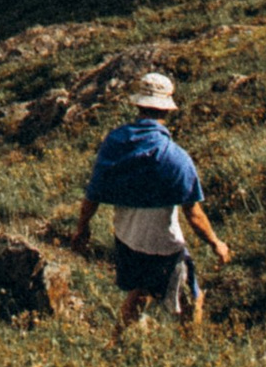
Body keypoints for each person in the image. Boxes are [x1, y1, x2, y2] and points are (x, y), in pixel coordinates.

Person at [68, 69, 231, 337]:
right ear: (167, 110)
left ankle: (116, 342)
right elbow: (194, 214)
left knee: (140, 290)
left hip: (126, 239)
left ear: (138, 104)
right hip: (163, 245)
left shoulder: (114, 142)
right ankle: (193, 350)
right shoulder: (176, 158)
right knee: (194, 298)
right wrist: (217, 244)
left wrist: (81, 229)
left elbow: (92, 195)